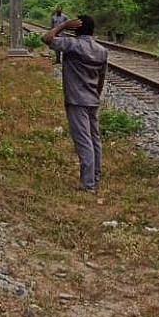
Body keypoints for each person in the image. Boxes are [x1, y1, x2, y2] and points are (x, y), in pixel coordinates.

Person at [42, 15, 109, 192]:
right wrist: (96, 95)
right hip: (93, 99)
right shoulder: (101, 50)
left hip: (76, 100)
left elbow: (47, 38)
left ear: (76, 28)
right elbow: (101, 78)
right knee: (95, 139)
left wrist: (63, 25)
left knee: (83, 140)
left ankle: (88, 184)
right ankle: (95, 177)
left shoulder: (72, 45)